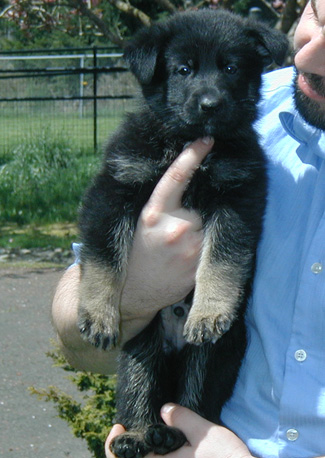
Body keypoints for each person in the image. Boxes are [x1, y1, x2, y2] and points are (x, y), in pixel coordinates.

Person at [52, 1, 325, 457]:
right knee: (144, 348)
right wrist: (129, 291)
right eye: (318, 15)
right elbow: (105, 216)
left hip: (222, 435)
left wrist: (213, 299)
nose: (307, 55)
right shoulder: (267, 109)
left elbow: (235, 227)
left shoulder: (242, 144)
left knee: (218, 343)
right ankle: (143, 427)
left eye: (229, 68)